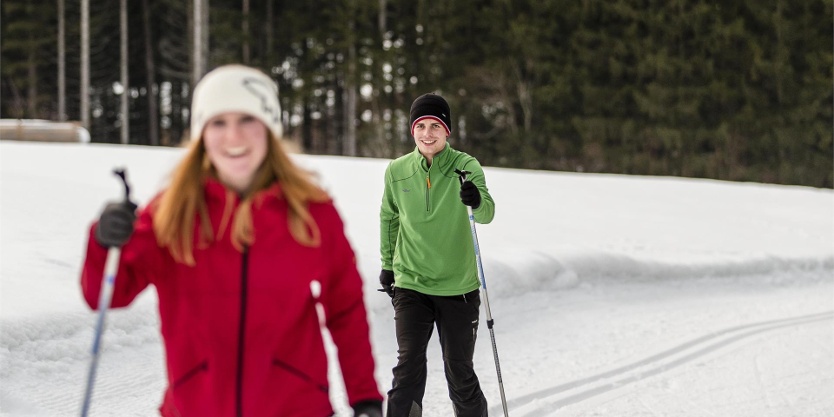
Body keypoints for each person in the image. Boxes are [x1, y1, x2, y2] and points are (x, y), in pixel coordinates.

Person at [80, 65, 383, 417]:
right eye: (218, 122)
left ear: (269, 128)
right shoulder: (172, 212)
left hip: (296, 408)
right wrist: (104, 242)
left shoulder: (311, 212)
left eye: (247, 120)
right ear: (201, 133)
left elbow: (345, 308)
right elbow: (107, 294)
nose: (234, 136)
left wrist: (366, 399)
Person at [378, 93, 495, 417]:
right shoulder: (397, 170)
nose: (427, 133)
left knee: (459, 371)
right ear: (412, 130)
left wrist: (474, 200)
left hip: (458, 287)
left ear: (447, 131)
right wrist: (388, 266)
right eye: (421, 126)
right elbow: (389, 218)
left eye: (435, 126)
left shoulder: (465, 166)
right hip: (411, 283)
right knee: (408, 367)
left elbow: (486, 213)